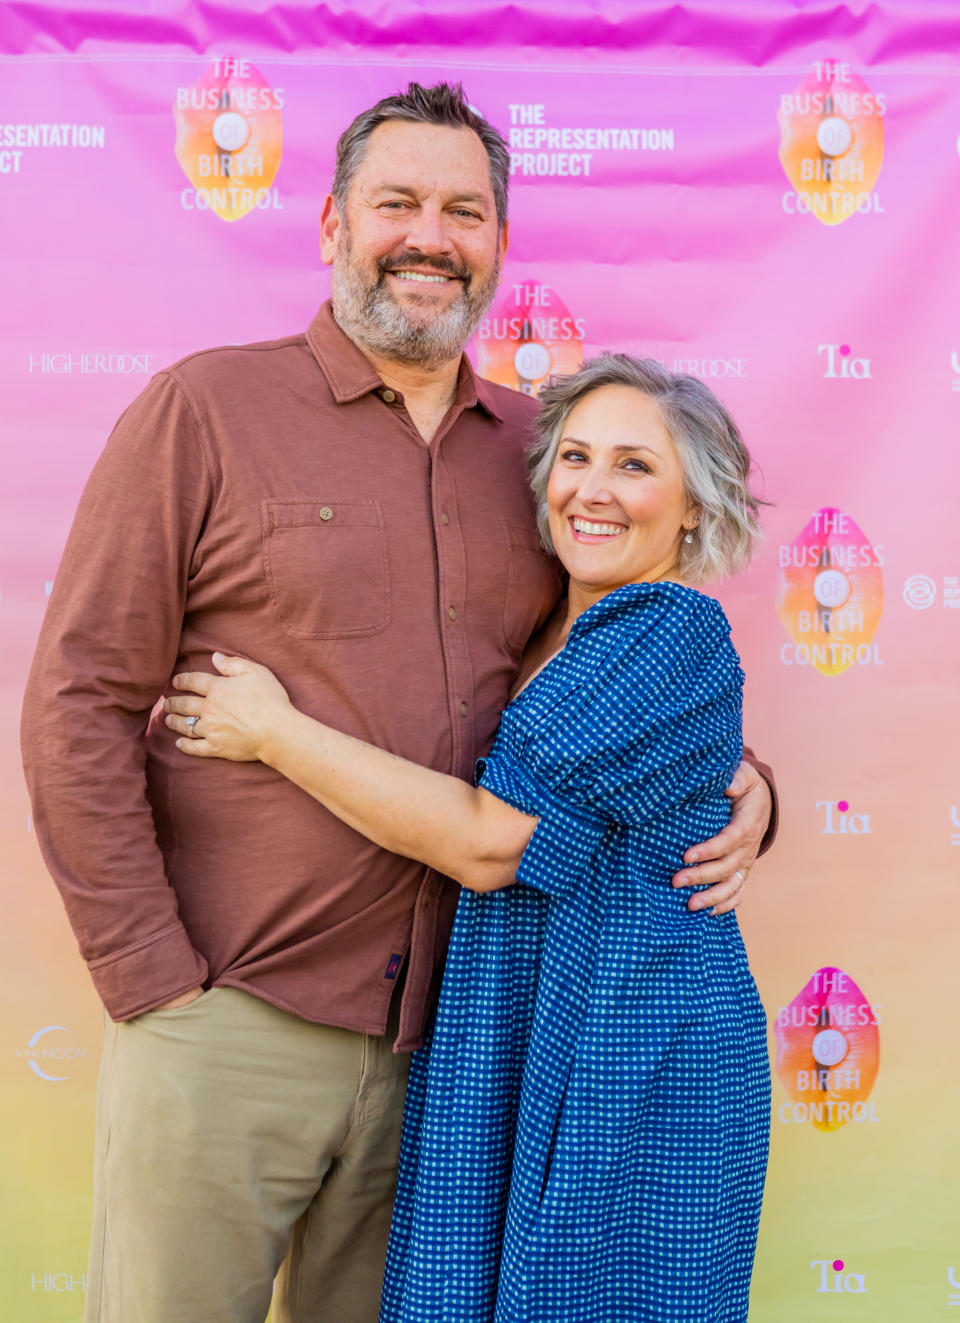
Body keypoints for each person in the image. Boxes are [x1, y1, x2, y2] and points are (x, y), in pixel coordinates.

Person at [21, 83, 774, 1323]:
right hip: (231, 1020)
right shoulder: (204, 409)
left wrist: (748, 793)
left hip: (456, 1060)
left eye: (463, 210)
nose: (430, 235)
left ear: (497, 244)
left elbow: (604, 696)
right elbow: (79, 700)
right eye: (398, 203)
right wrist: (152, 980)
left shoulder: (544, 455)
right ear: (330, 224)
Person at [165, 353, 770, 1322]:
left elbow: (496, 842)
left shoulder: (669, 630)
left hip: (627, 1045)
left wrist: (273, 732)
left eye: (635, 466)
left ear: (695, 505)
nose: (594, 489)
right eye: (574, 457)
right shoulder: (555, 626)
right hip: (516, 1020)